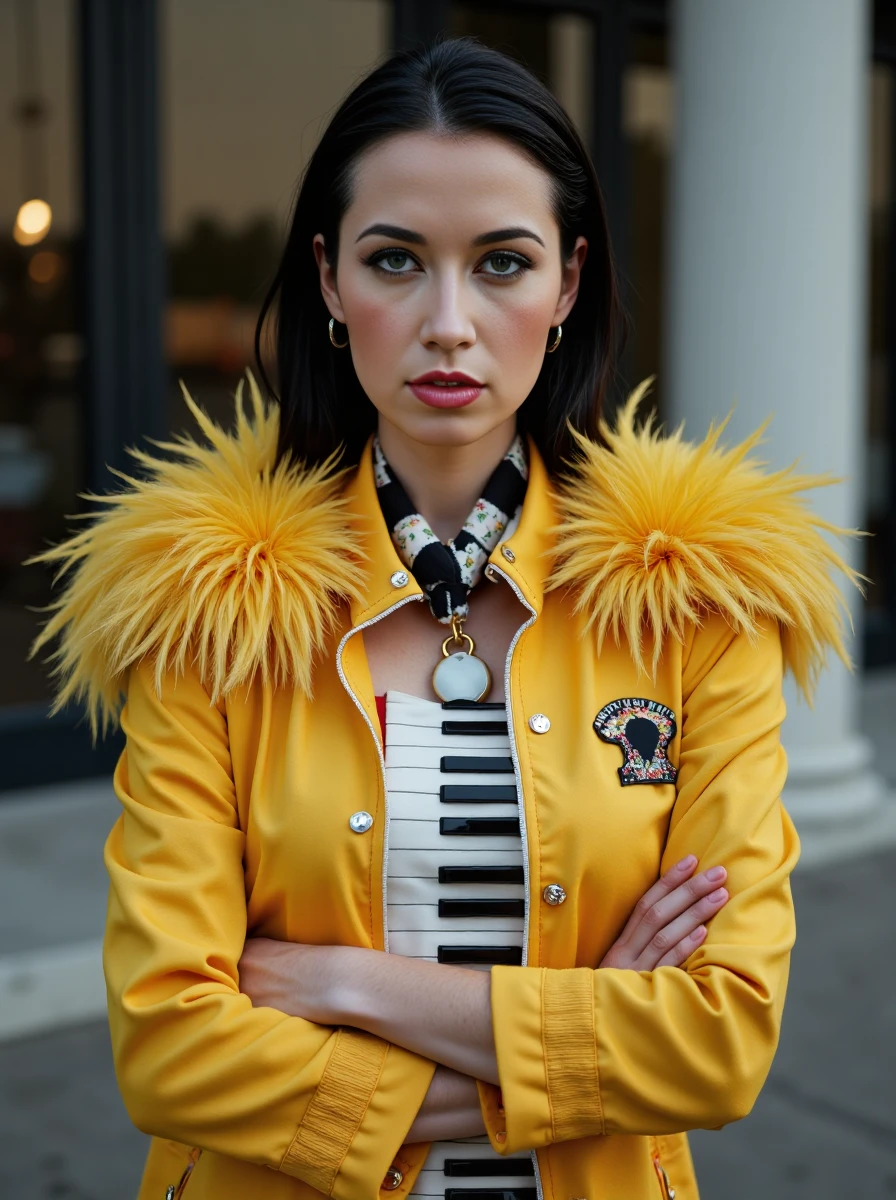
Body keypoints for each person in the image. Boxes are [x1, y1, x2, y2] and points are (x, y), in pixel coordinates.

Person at [28, 37, 857, 1200]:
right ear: (328, 280)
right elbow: (171, 1053)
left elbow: (716, 1046)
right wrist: (587, 1047)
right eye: (396, 260)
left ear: (567, 283)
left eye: (502, 263)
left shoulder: (699, 604)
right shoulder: (208, 609)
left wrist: (346, 987)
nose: (449, 322)